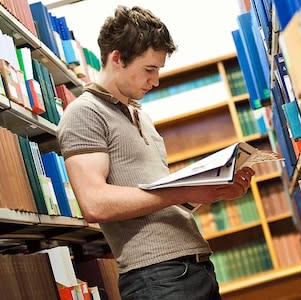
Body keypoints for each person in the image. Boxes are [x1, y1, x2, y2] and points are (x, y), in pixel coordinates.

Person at [57, 5, 255, 300]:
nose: (156, 80)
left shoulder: (141, 115)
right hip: (157, 277)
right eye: (149, 69)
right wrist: (180, 191)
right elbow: (94, 203)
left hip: (194, 268)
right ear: (117, 58)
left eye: (158, 70)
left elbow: (156, 200)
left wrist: (211, 191)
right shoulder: (84, 113)